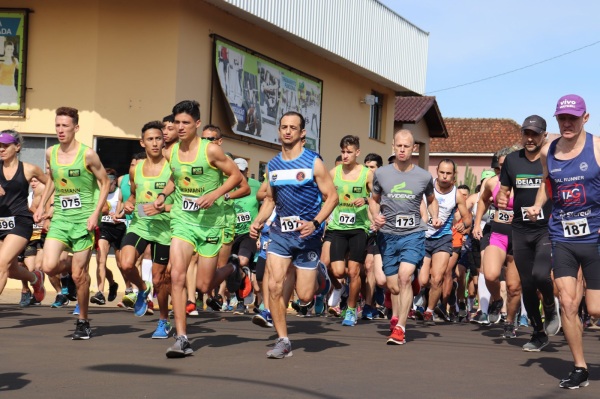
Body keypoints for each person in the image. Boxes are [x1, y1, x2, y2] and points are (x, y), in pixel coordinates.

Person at [154, 100, 243, 358]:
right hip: (183, 220)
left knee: (204, 286)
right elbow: (174, 177)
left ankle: (233, 267)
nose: (179, 127)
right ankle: (182, 338)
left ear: (197, 124)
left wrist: (215, 194)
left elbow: (237, 176)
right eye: (176, 123)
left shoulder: (211, 151)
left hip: (210, 222)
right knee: (178, 277)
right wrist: (163, 195)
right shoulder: (170, 152)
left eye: (185, 123)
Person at [249, 111, 338, 359]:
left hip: (308, 235)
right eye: (284, 127)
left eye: (293, 128)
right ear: (279, 131)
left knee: (305, 295)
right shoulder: (273, 164)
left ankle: (322, 275)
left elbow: (332, 197)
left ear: (302, 133)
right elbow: (270, 199)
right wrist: (258, 221)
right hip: (280, 234)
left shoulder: (313, 162)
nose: (287, 131)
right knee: (274, 285)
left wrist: (316, 222)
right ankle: (283, 340)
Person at [527, 94, 598, 389]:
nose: (567, 123)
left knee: (594, 309)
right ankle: (580, 367)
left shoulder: (596, 147)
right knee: (568, 302)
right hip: (562, 235)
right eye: (562, 118)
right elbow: (547, 182)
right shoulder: (549, 151)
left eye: (573, 118)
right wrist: (536, 204)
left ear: (585, 118)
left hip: (596, 236)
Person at [35, 107, 110, 340]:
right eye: (57, 125)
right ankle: (69, 264)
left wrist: (95, 213)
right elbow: (52, 182)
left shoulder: (88, 155)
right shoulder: (51, 153)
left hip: (83, 221)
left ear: (75, 128)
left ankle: (83, 321)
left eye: (65, 126)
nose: (60, 130)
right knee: (47, 267)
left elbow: (105, 183)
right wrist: (42, 205)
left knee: (79, 277)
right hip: (60, 219)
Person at [370, 129, 441, 345]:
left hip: (413, 233)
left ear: (413, 149)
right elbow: (373, 200)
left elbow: (431, 200)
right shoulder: (381, 173)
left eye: (406, 146)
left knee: (404, 277)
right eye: (399, 146)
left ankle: (400, 327)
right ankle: (402, 302)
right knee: (391, 286)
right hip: (387, 235)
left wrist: (434, 217)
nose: (402, 150)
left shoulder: (424, 176)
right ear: (394, 146)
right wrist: (375, 216)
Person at [497, 115, 560, 349]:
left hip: (546, 228)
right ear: (522, 135)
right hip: (521, 229)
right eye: (527, 133)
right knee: (526, 283)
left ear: (544, 135)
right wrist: (503, 198)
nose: (530, 138)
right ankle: (538, 332)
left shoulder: (552, 158)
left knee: (541, 275)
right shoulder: (512, 160)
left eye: (535, 134)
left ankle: (551, 308)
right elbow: (504, 189)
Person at [121, 121, 173, 337]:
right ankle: (143, 288)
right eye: (150, 139)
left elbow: (182, 200)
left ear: (164, 140)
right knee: (125, 263)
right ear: (142, 142)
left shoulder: (173, 165)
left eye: (158, 138)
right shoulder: (136, 168)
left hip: (165, 228)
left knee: (160, 278)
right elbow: (133, 193)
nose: (154, 143)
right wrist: (129, 203)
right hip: (140, 224)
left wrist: (163, 209)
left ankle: (163, 320)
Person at [326, 135, 372, 326]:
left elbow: (378, 196)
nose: (345, 155)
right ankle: (341, 289)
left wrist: (367, 200)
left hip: (359, 228)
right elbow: (325, 195)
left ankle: (351, 310)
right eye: (343, 151)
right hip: (337, 227)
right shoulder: (333, 172)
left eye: (349, 152)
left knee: (354, 272)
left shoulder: (367, 173)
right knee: (336, 271)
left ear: (357, 153)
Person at [419, 159, 471, 324]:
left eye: (448, 173)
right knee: (423, 280)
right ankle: (422, 296)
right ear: (437, 171)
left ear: (453, 175)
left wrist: (465, 224)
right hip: (423, 236)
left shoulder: (456, 194)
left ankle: (429, 311)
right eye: (442, 172)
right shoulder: (426, 187)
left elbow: (467, 217)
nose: (445, 176)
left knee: (438, 277)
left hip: (443, 238)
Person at [0, 130, 47, 302]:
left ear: (17, 147)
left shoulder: (29, 169)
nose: (1, 149)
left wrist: (42, 206)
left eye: (5, 146)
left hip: (20, 221)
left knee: (1, 264)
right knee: (10, 269)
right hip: (1, 221)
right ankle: (36, 279)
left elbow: (52, 183)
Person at [91, 168, 123, 305]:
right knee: (101, 260)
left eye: (109, 180)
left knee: (122, 263)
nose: (107, 183)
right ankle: (100, 292)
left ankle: (124, 288)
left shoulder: (119, 192)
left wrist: (118, 215)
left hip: (120, 228)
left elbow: (123, 207)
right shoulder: (100, 193)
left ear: (114, 181)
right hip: (104, 227)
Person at [0, 41, 19, 106]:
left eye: (11, 49)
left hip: (11, 88)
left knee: (13, 106)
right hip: (2, 88)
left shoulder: (15, 60)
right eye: (8, 49)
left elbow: (22, 70)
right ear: (5, 49)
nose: (10, 51)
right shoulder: (1, 60)